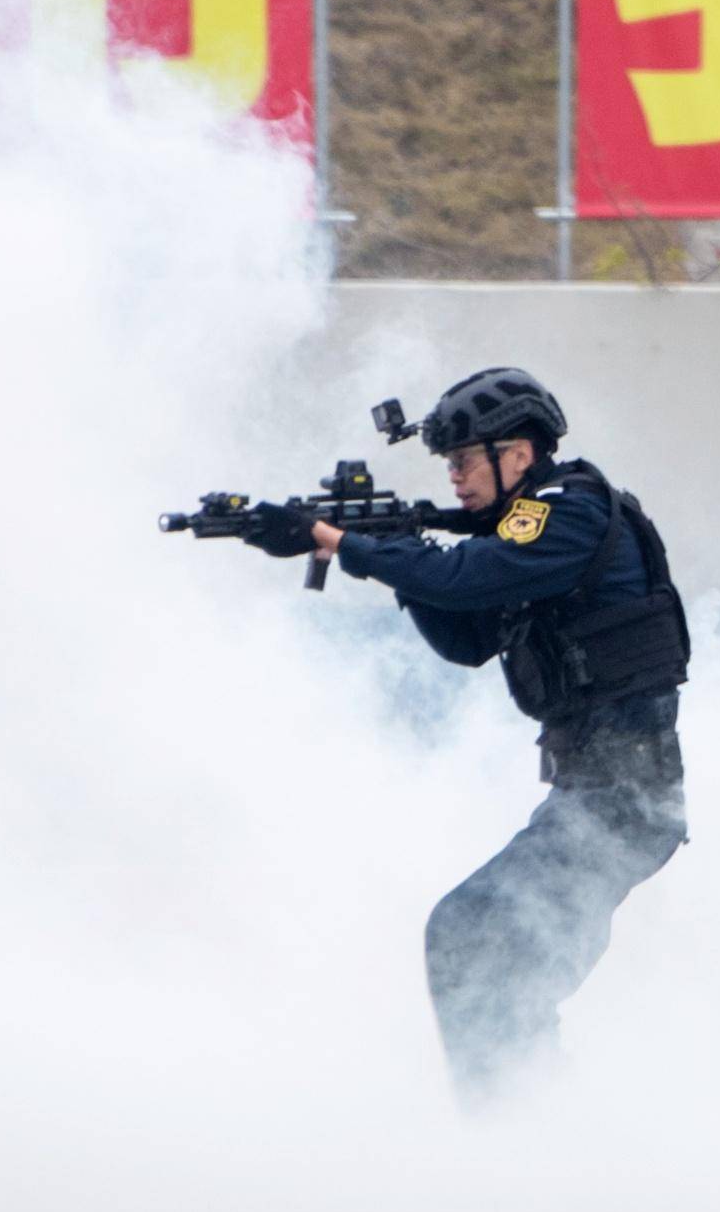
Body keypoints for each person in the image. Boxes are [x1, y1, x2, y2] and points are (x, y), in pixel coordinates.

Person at [261, 366, 689, 1104]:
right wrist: (392, 552)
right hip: (600, 798)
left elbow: (462, 575)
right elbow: (464, 635)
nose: (454, 478)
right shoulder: (529, 534)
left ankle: (513, 1134)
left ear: (518, 454)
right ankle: (540, 1133)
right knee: (498, 959)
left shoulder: (569, 512)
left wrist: (347, 544)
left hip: (622, 803)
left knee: (467, 931)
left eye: (463, 460)